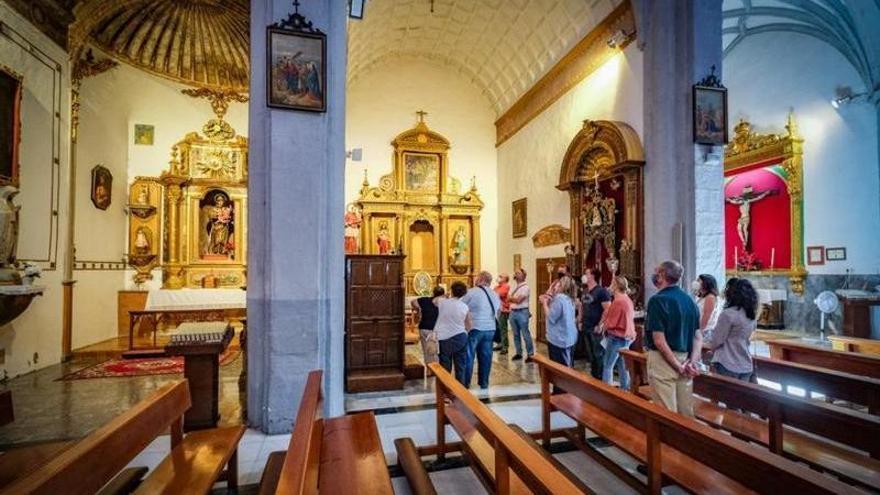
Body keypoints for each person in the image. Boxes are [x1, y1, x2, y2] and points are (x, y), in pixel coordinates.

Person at [644, 261, 702, 417]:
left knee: (666, 413)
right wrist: (692, 362)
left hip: (664, 361)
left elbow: (659, 340)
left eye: (656, 271)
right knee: (685, 411)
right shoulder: (690, 300)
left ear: (662, 275)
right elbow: (698, 337)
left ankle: (668, 442)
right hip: (685, 359)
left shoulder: (658, 300)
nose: (654, 275)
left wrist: (677, 365)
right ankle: (687, 441)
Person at [709, 278, 758, 381]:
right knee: (741, 397)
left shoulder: (728, 314)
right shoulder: (751, 315)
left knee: (723, 396)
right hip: (745, 363)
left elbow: (717, 340)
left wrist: (712, 349)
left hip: (727, 362)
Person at [461, 271, 501, 389]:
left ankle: (465, 383)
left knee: (469, 356)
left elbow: (461, 306)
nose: (475, 279)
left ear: (481, 279)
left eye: (477, 277)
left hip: (475, 328)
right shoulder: (494, 293)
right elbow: (498, 311)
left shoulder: (472, 292)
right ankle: (484, 383)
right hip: (490, 329)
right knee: (486, 356)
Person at [599, 276, 637, 390]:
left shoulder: (618, 301)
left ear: (616, 286)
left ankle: (607, 393)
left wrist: (603, 326)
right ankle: (625, 390)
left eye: (612, 283)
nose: (609, 286)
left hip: (617, 337)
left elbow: (611, 321)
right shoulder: (627, 299)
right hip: (627, 337)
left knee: (607, 365)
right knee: (623, 365)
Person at [435, 281, 472, 385]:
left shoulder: (443, 302)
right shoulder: (464, 306)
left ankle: (445, 391)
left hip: (444, 338)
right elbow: (469, 324)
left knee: (445, 367)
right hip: (460, 337)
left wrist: (445, 295)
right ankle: (461, 392)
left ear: (451, 291)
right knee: (461, 367)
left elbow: (434, 300)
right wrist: (465, 332)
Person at [541, 275, 579, 368]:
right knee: (568, 366)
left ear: (562, 286)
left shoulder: (559, 298)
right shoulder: (570, 298)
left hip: (559, 339)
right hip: (570, 337)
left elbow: (551, 317)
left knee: (560, 369)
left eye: (557, 285)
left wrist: (544, 303)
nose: (554, 287)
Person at [581, 268, 611, 380]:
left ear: (592, 276)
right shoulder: (585, 291)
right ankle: (594, 377)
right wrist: (580, 320)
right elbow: (582, 306)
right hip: (586, 325)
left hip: (596, 327)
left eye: (586, 273)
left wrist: (600, 324)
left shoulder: (601, 291)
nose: (584, 275)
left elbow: (607, 309)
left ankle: (600, 378)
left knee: (598, 353)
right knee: (590, 355)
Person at [410, 286, 445, 370]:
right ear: (443, 295)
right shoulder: (444, 303)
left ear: (433, 293)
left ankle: (429, 369)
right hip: (436, 329)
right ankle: (437, 370)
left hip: (424, 328)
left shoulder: (425, 300)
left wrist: (418, 309)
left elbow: (413, 301)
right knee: (436, 351)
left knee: (427, 351)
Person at [508, 268, 534, 362]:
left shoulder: (525, 287)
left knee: (525, 334)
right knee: (515, 334)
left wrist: (511, 298)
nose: (516, 274)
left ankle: (530, 354)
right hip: (513, 312)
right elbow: (508, 298)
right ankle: (519, 353)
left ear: (523, 276)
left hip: (522, 312)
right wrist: (512, 299)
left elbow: (519, 301)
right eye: (516, 273)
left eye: (518, 273)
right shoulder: (514, 287)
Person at [693, 274, 722, 340]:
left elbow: (706, 316)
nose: (696, 282)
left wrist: (699, 332)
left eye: (698, 280)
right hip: (701, 330)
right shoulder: (703, 297)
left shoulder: (710, 297)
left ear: (706, 283)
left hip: (705, 331)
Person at [493, 273, 511, 354]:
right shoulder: (497, 287)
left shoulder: (506, 286)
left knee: (503, 329)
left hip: (504, 310)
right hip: (498, 309)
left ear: (505, 279)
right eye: (499, 276)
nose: (499, 278)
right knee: (498, 328)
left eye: (501, 277)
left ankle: (505, 347)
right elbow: (493, 295)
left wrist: (495, 293)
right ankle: (500, 343)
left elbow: (500, 294)